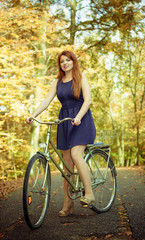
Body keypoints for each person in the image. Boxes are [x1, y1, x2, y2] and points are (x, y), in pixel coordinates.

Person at [26, 50, 96, 217]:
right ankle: (68, 204)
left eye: (68, 60)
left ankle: (89, 193)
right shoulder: (57, 81)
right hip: (64, 122)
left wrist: (78, 117)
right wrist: (34, 114)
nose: (65, 63)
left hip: (81, 120)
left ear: (73, 62)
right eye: (62, 61)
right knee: (66, 166)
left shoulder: (81, 77)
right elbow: (47, 99)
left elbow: (88, 100)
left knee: (76, 154)